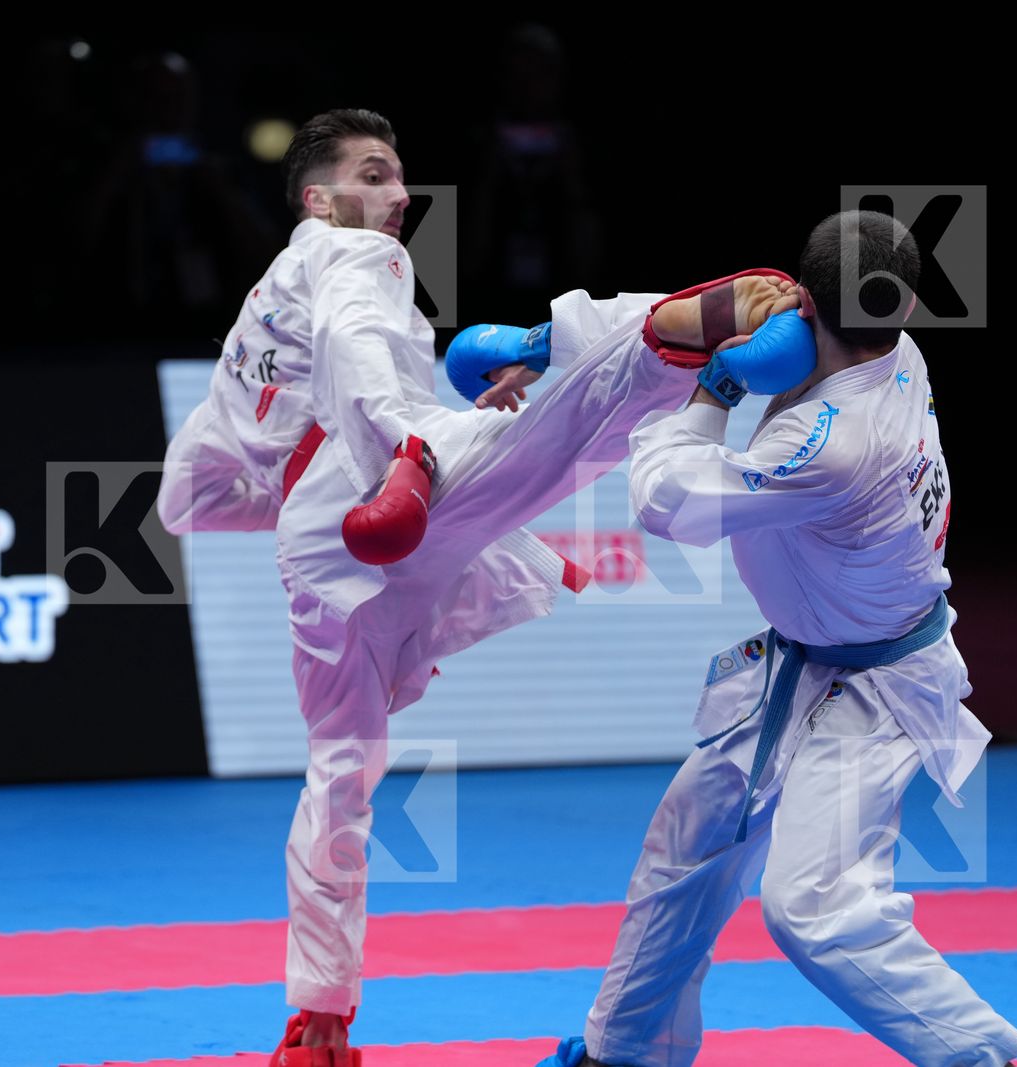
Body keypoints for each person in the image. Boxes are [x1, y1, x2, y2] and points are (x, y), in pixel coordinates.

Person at [156, 107, 799, 1065]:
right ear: (317, 198)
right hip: (380, 495)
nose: (398, 194)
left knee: (339, 780)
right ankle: (654, 337)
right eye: (374, 174)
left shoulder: (260, 312)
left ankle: (317, 1015)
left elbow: (187, 498)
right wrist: (405, 444)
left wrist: (318, 473)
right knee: (550, 442)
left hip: (325, 569)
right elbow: (357, 345)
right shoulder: (353, 257)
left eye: (400, 177)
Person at [537, 211, 1017, 1067]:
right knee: (686, 848)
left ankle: (981, 1058)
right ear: (908, 302)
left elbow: (670, 503)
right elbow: (671, 314)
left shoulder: (830, 445)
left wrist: (712, 390)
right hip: (799, 665)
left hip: (875, 692)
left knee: (813, 905)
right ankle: (624, 1051)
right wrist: (553, 340)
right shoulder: (901, 353)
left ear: (804, 295)